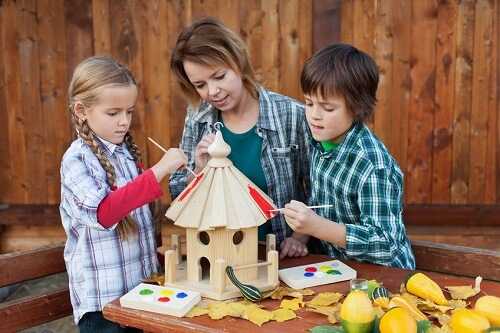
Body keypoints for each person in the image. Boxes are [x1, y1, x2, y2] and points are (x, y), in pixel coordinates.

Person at [60, 56, 187, 331]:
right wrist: (158, 171)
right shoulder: (77, 160)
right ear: (82, 110)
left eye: (129, 112)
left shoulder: (125, 154)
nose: (123, 122)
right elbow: (105, 213)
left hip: (141, 291)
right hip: (103, 303)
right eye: (113, 113)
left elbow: (140, 212)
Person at [169, 17, 311, 259]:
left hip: (283, 256)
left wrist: (299, 237)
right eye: (200, 85)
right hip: (221, 258)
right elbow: (178, 196)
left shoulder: (291, 115)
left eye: (219, 76)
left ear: (238, 61)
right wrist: (199, 172)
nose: (212, 91)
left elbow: (316, 186)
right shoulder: (197, 118)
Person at [282, 43, 415, 269]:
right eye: (309, 103)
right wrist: (300, 237)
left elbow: (385, 244)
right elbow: (321, 202)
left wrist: (317, 227)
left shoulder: (373, 166)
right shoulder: (321, 142)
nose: (314, 115)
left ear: (356, 108)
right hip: (338, 269)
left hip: (386, 278)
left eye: (328, 108)